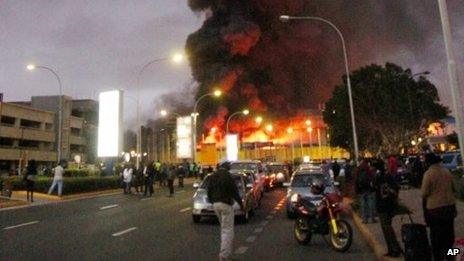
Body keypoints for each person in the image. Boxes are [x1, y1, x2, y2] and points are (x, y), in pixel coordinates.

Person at [421, 153, 457, 261]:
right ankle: (451, 256)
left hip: (435, 210)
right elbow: (454, 188)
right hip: (450, 208)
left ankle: (439, 258)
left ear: (428, 163)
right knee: (450, 238)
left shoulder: (428, 174)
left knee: (436, 239)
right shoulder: (447, 172)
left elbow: (424, 193)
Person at [207, 162, 244, 261]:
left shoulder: (213, 175)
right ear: (227, 168)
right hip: (226, 204)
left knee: (223, 228)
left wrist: (212, 201)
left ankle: (224, 255)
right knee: (227, 231)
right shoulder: (228, 176)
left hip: (215, 204)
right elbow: (234, 192)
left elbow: (208, 190)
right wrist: (241, 205)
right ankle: (224, 256)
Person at [373, 160, 402, 257]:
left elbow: (393, 189)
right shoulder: (381, 176)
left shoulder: (383, 177)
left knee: (387, 228)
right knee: (386, 229)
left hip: (385, 205)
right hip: (385, 205)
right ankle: (392, 249)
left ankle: (395, 249)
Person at [355, 159, 377, 223]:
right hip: (368, 189)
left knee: (363, 205)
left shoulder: (358, 170)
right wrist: (374, 187)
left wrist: (357, 190)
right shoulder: (368, 169)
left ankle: (364, 220)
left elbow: (356, 180)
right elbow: (373, 179)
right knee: (370, 204)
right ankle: (372, 219)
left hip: (361, 190)